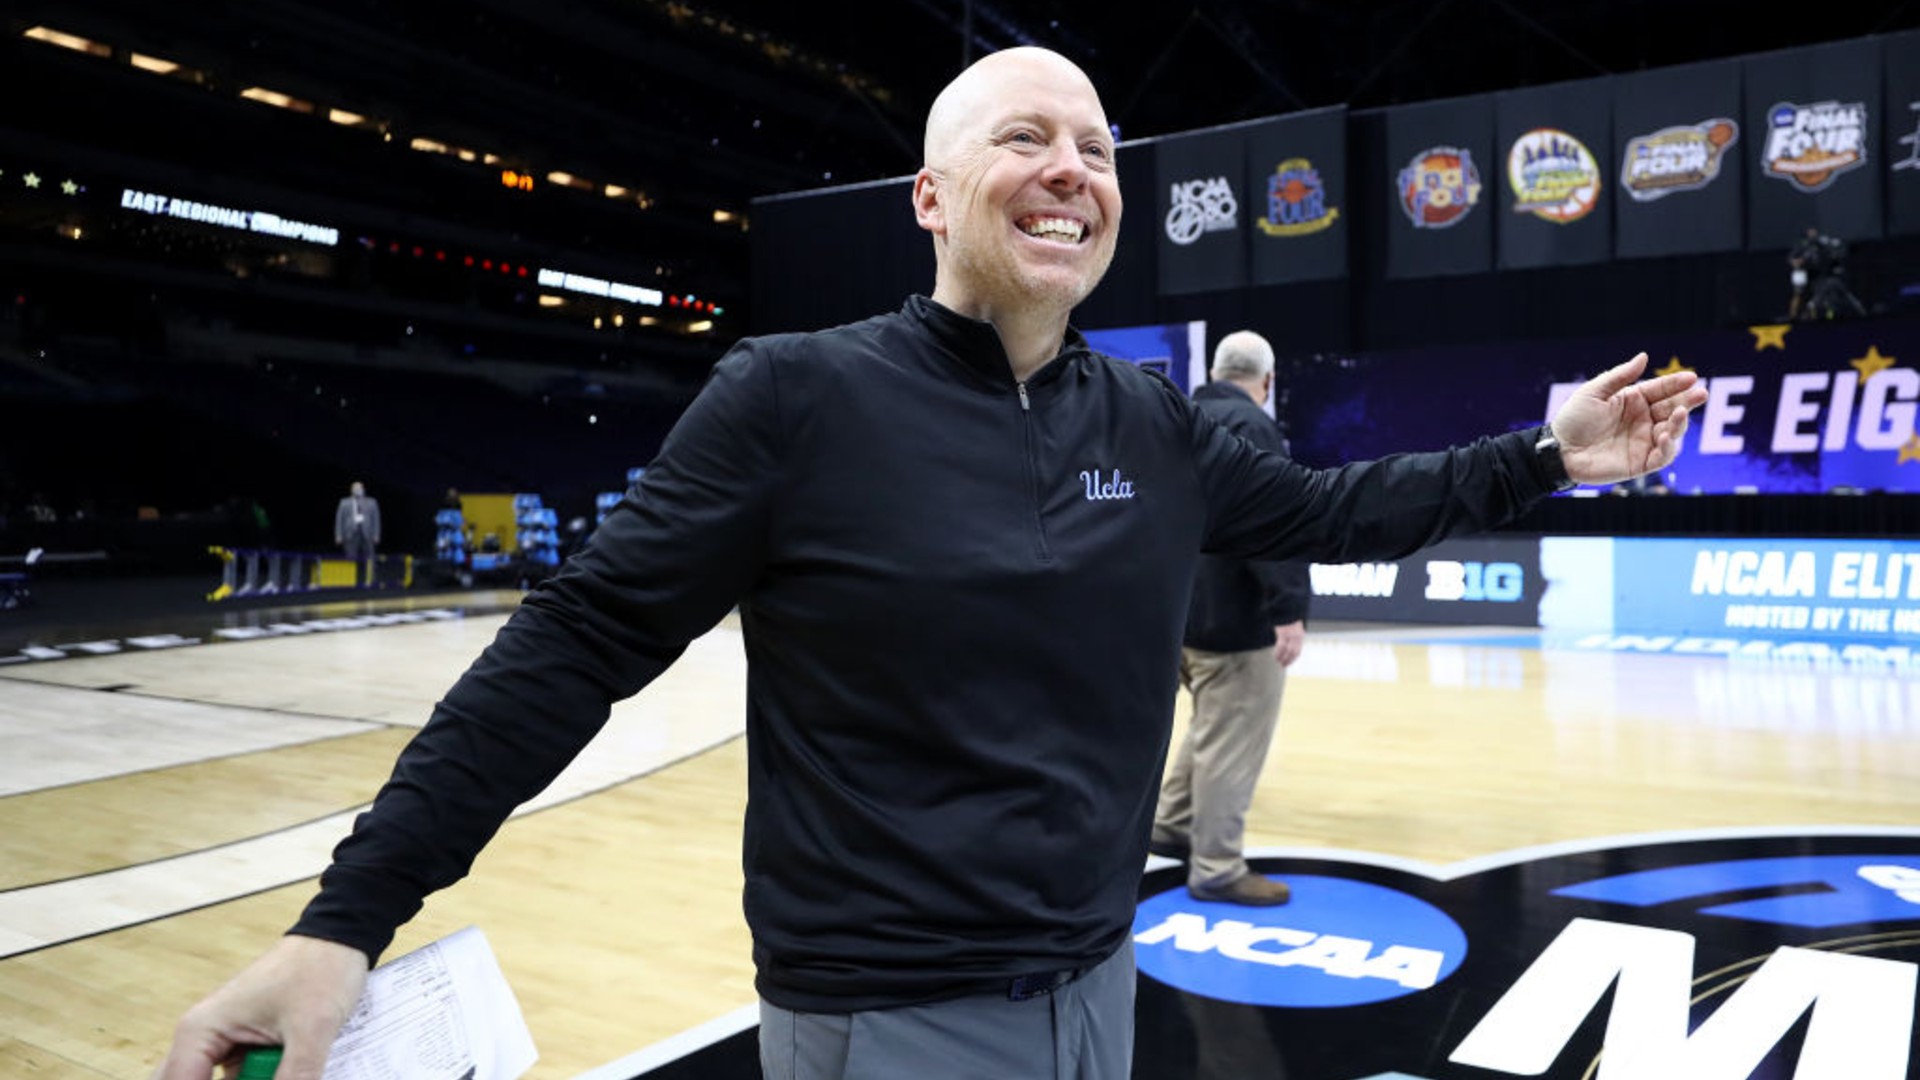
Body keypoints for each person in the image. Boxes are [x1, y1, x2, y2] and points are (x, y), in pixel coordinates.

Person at [156, 46, 1705, 1080]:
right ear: (929, 198)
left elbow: (1342, 509)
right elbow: (574, 644)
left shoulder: (1161, 426)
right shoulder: (795, 398)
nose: (1070, 165)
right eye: (1022, 136)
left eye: (1096, 147)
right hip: (892, 1014)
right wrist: (346, 920)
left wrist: (1552, 455)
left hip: (1103, 978)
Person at [1148, 330, 1308, 907]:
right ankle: (1216, 867)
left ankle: (1170, 824)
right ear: (1266, 383)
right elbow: (1275, 525)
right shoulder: (1256, 428)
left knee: (1212, 726)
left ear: (1216, 371)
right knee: (1233, 741)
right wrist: (1287, 610)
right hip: (1238, 620)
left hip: (1181, 615)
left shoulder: (1177, 416)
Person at [1787, 226, 1864, 321]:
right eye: (1810, 232)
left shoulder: (1822, 243)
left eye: (1814, 231)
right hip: (1804, 273)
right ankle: (1793, 316)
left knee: (1828, 295)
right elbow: (1793, 260)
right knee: (1799, 292)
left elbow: (1836, 249)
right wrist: (1800, 262)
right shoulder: (1802, 245)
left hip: (1820, 274)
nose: (1813, 233)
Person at [332, 481, 381, 587]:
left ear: (363, 489)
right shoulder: (344, 502)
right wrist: (338, 535)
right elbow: (339, 520)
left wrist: (376, 535)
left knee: (370, 558)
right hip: (350, 534)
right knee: (350, 557)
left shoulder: (372, 502)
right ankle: (349, 581)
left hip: (367, 533)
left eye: (359, 488)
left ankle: (371, 580)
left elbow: (376, 519)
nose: (357, 490)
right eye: (355, 488)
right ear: (351, 490)